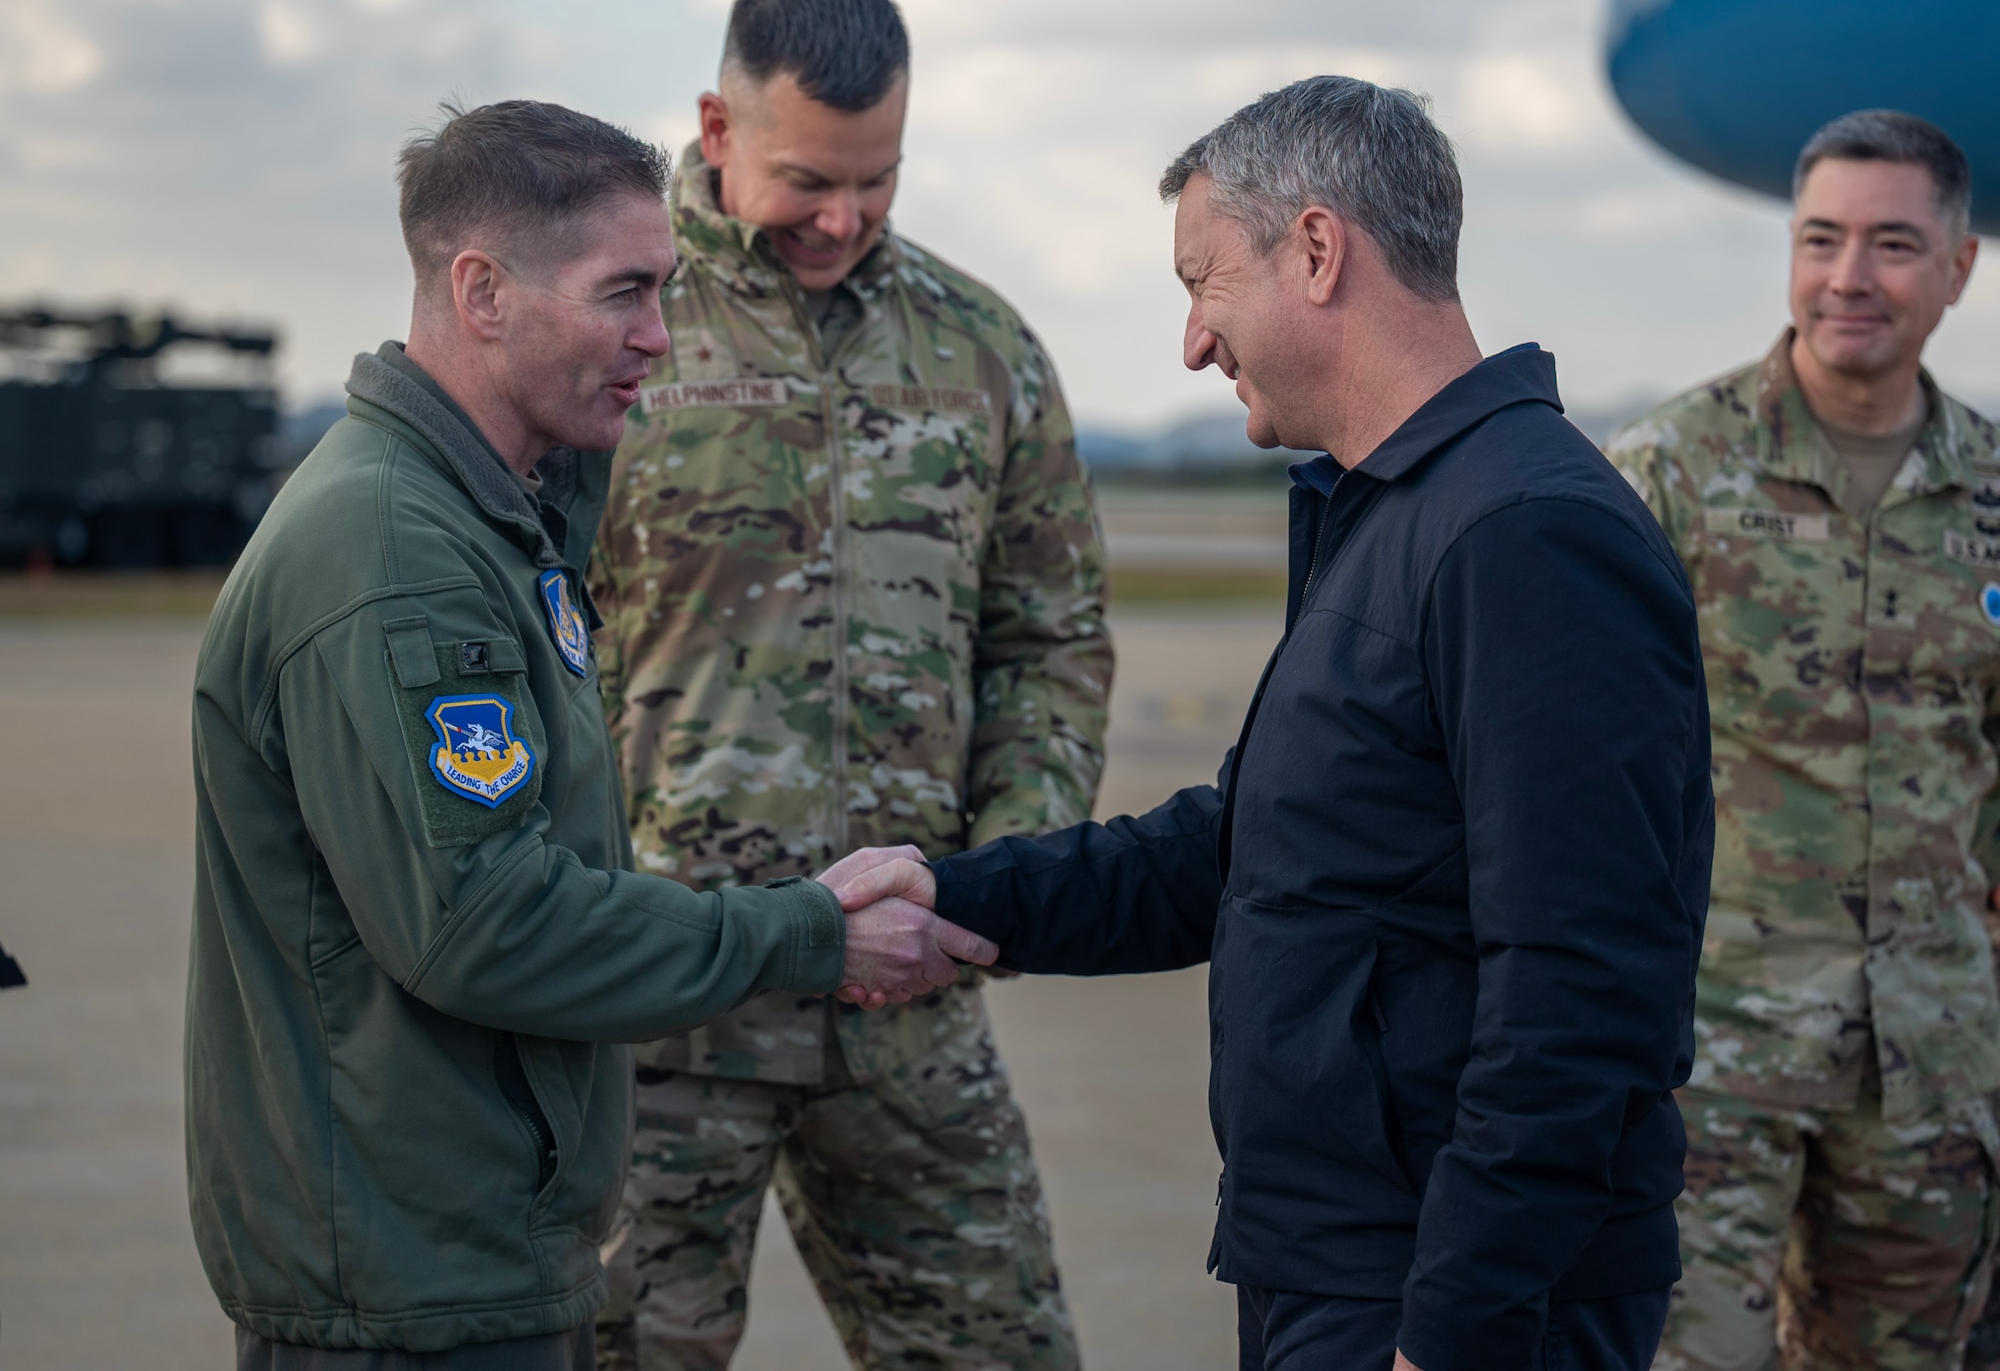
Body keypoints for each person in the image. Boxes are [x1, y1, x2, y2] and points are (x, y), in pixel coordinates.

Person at [823, 75, 1713, 1371]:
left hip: (1445, 1299)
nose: (1192, 342)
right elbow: (1250, 850)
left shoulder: (1525, 534)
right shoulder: (1398, 517)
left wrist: (1454, 1333)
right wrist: (964, 897)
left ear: (1314, 249)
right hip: (1340, 1266)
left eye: (1202, 282)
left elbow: (1582, 994)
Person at [185, 99, 994, 1370]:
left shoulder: (490, 521)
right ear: (483, 292)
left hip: (466, 1257)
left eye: (664, 292)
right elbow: (485, 923)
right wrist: (802, 933)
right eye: (624, 294)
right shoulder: (397, 554)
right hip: (411, 1295)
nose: (658, 339)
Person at [587, 0, 1108, 1370]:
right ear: (715, 123)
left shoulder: (982, 346)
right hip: (656, 1022)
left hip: (909, 1017)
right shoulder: (614, 336)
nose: (845, 217)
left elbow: (1050, 640)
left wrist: (1003, 883)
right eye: (811, 178)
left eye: (878, 180)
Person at [1605, 110, 1999, 1371]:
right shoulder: (1667, 475)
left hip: (1930, 1069)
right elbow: (1574, 755)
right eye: (1820, 239)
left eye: (1891, 244)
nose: (1847, 278)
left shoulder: (1992, 495)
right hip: (1708, 1055)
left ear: (1958, 269)